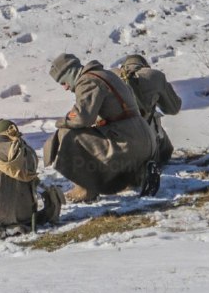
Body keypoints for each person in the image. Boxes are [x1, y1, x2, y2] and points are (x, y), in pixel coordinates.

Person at [43, 54, 157, 202]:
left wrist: (61, 122)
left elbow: (82, 118)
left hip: (127, 141)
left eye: (63, 81)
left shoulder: (88, 81)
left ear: (70, 72)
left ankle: (85, 188)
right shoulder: (105, 74)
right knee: (95, 134)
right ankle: (136, 176)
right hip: (144, 140)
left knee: (67, 134)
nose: (65, 87)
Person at [114, 54, 182, 167]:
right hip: (145, 143)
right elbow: (173, 108)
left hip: (113, 143)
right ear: (145, 66)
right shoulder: (154, 76)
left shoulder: (109, 76)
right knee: (166, 147)